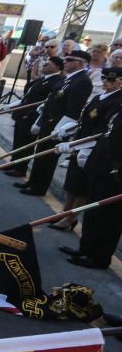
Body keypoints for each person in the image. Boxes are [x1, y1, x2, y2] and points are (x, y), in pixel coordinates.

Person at [47, 67, 122, 231]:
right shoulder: (99, 97)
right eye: (104, 78)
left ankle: (71, 217)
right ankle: (65, 212)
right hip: (81, 140)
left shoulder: (117, 101)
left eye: (110, 80)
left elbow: (103, 130)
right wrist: (68, 129)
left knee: (82, 185)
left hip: (94, 147)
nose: (105, 82)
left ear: (120, 82)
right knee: (72, 181)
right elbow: (85, 118)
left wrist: (83, 146)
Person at [16, 50, 93, 196]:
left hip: (57, 127)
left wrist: (60, 129)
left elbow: (73, 111)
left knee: (47, 159)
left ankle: (39, 187)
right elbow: (52, 100)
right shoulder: (68, 78)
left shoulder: (82, 81)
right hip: (48, 122)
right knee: (39, 155)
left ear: (80, 63)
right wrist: (40, 121)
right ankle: (32, 182)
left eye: (69, 59)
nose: (65, 62)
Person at [60, 90, 122, 269]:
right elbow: (104, 132)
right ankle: (85, 248)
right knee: (92, 211)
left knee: (108, 218)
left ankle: (99, 257)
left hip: (116, 174)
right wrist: (81, 147)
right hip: (101, 166)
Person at [2, 57, 64, 177]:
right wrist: (11, 105)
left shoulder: (56, 81)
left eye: (48, 63)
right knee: (18, 140)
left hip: (33, 116)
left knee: (26, 143)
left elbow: (47, 102)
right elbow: (28, 96)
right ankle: (14, 162)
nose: (45, 64)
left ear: (57, 67)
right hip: (24, 113)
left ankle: (21, 168)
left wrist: (38, 121)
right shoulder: (44, 79)